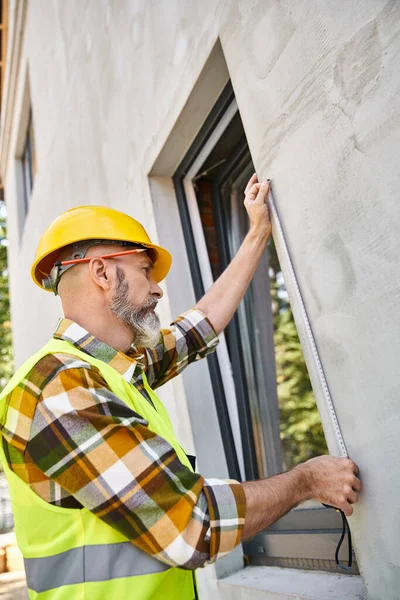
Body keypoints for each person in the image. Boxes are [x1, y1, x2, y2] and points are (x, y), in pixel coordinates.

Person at [0, 175, 361, 599]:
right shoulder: (61, 387)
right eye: (145, 269)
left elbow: (196, 329)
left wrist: (257, 234)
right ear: (101, 271)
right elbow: (193, 525)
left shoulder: (110, 371)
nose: (156, 288)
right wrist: (307, 480)